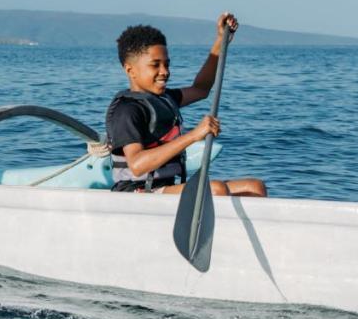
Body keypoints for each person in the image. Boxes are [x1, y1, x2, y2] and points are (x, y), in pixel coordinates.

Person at [106, 13, 267, 196]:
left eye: (167, 64)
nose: (165, 72)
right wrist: (194, 135)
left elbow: (201, 88)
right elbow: (137, 165)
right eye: (155, 65)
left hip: (165, 188)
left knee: (255, 187)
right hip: (137, 193)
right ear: (130, 70)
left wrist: (220, 41)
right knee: (216, 190)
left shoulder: (165, 99)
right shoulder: (126, 110)